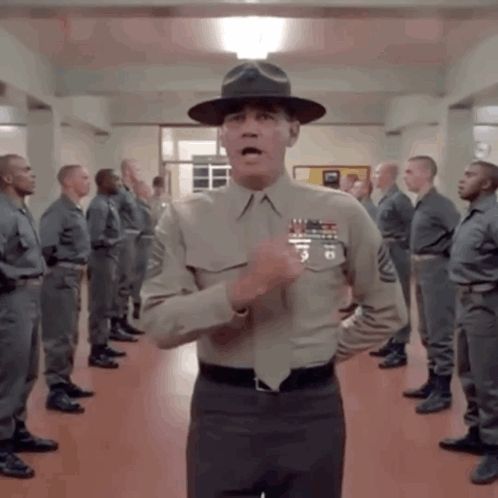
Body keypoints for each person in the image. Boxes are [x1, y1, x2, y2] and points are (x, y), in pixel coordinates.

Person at [141, 61, 407, 498]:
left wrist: (322, 351)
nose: (250, 129)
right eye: (236, 118)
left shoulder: (340, 212)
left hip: (312, 412)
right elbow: (158, 323)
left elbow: (386, 309)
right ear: (222, 135)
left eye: (266, 117)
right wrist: (244, 289)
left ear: (293, 131)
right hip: (223, 411)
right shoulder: (185, 218)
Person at [439, 160, 498, 485]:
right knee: (469, 373)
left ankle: (494, 446)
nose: (462, 180)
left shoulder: (494, 216)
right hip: (466, 303)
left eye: (470, 175)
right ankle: (476, 432)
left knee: (489, 379)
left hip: (486, 306)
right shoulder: (471, 214)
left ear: (487, 184)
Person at [0, 154, 58, 479]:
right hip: (11, 300)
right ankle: (1, 445)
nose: (32, 175)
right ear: (7, 178)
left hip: (30, 296)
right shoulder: (1, 213)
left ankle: (17, 430)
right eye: (26, 170)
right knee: (8, 373)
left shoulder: (21, 210)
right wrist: (16, 278)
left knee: (27, 370)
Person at [403, 155, 460, 414]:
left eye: (410, 171)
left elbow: (459, 235)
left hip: (437, 271)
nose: (405, 176)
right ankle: (432, 381)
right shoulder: (422, 203)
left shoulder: (440, 204)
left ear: (426, 174)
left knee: (439, 331)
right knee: (426, 331)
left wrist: (442, 256)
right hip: (421, 269)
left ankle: (443, 391)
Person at [40, 164, 94, 414]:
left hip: (72, 276)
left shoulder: (74, 209)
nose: (88, 182)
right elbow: (47, 248)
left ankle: (64, 380)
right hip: (61, 277)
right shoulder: (58, 211)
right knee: (59, 334)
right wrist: (64, 266)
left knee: (70, 332)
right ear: (68, 182)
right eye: (84, 178)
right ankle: (56, 390)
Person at [369, 162, 414, 369]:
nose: (374, 176)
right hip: (386, 254)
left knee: (400, 300)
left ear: (389, 175)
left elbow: (413, 227)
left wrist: (399, 244)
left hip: (396, 254)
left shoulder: (399, 199)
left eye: (378, 172)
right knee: (389, 299)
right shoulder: (385, 199)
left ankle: (400, 348)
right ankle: (393, 340)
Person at [86, 168, 126, 369]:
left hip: (110, 258)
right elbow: (94, 238)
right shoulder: (98, 206)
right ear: (103, 182)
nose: (119, 182)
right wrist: (116, 240)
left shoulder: (109, 203)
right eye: (115, 179)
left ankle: (103, 343)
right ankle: (96, 351)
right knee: (100, 305)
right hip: (102, 259)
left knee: (107, 303)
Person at [109, 159, 143, 340]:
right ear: (127, 171)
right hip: (124, 239)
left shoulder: (129, 191)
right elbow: (112, 214)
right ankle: (115, 324)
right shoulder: (119, 191)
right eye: (136, 168)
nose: (139, 171)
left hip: (133, 238)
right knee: (121, 281)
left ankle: (123, 320)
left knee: (128, 281)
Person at [131, 180, 154, 320]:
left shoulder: (145, 205)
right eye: (147, 188)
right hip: (142, 244)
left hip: (148, 242)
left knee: (146, 274)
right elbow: (138, 227)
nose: (150, 191)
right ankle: (137, 302)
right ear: (142, 190)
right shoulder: (138, 207)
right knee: (140, 275)